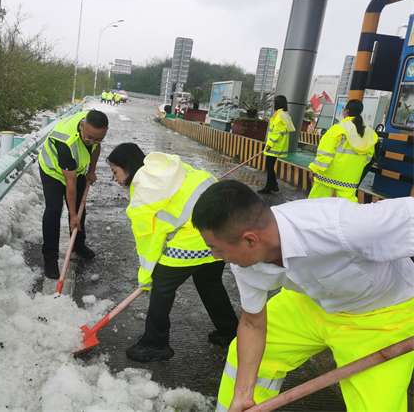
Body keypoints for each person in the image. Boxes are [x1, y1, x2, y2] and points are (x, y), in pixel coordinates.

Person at [192, 180, 414, 412]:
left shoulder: (340, 226)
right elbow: (252, 324)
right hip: (309, 301)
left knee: (377, 407)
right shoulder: (244, 263)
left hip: (383, 316)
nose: (215, 256)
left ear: (250, 240)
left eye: (216, 248)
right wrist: (242, 394)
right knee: (244, 361)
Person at [107, 144, 239, 363]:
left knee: (162, 289)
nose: (114, 179)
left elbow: (149, 241)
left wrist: (147, 276)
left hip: (194, 241)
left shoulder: (143, 194)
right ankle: (230, 332)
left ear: (128, 168)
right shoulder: (166, 166)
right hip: (220, 233)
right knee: (210, 283)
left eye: (115, 172)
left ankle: (155, 344)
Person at [38, 109, 109, 279]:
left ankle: (78, 244)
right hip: (53, 171)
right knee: (54, 210)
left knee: (79, 208)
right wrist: (72, 216)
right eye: (89, 137)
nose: (93, 142)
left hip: (74, 171)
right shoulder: (66, 142)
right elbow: (70, 184)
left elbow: (95, 148)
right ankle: (50, 259)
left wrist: (91, 171)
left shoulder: (93, 129)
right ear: (82, 125)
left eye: (98, 138)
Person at [308, 99, 377, 203]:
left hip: (328, 176)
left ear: (346, 111)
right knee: (347, 209)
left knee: (316, 204)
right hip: (350, 179)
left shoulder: (338, 129)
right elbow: (368, 157)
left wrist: (315, 169)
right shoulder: (370, 133)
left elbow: (324, 153)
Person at [258, 95, 295, 194]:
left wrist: (270, 144)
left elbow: (278, 132)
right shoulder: (282, 114)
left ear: (277, 103)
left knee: (269, 166)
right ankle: (272, 185)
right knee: (270, 166)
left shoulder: (279, 116)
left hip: (275, 145)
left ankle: (270, 186)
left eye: (274, 102)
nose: (273, 103)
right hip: (276, 145)